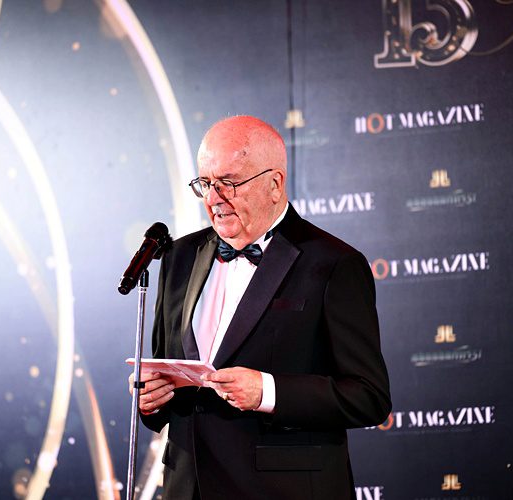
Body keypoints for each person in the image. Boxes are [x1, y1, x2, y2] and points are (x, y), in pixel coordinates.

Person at [131, 115, 391, 500]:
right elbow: (164, 376)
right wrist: (152, 398)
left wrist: (267, 391)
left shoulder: (334, 264)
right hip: (189, 488)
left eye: (229, 183)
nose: (214, 198)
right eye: (206, 183)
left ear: (274, 184)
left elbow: (368, 397)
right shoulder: (179, 256)